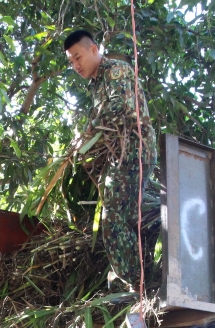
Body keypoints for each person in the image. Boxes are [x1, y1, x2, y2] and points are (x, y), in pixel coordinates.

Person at [64, 29, 157, 292]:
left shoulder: (116, 71)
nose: (75, 66)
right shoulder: (96, 83)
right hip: (121, 156)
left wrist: (86, 136)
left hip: (134, 152)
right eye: (71, 62)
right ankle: (138, 275)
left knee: (114, 217)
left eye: (78, 57)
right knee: (123, 213)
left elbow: (116, 108)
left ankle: (134, 284)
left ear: (94, 49)